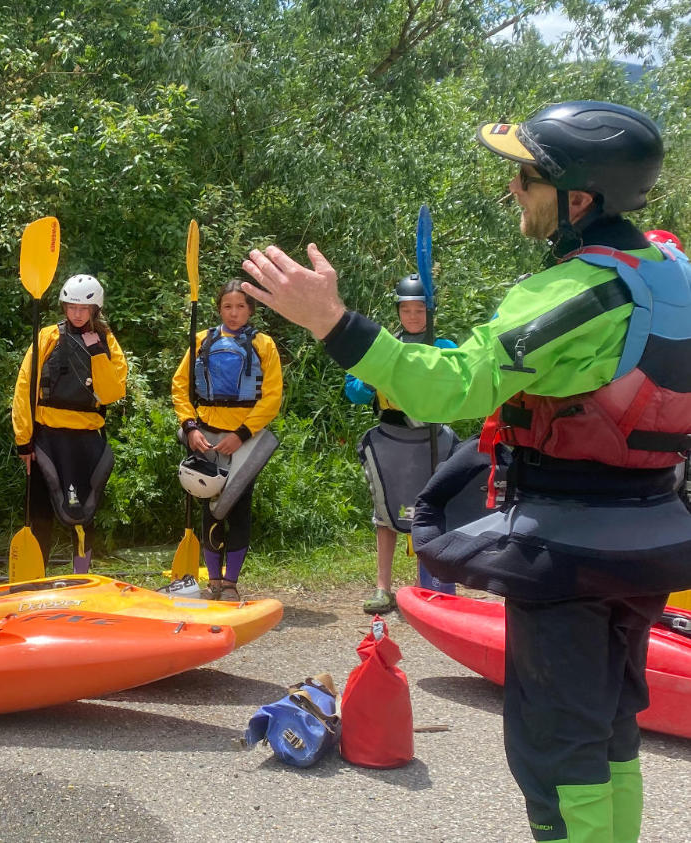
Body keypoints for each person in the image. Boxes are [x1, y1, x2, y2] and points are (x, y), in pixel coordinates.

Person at [241, 101, 691, 842]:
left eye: (525, 176)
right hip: (649, 540)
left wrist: (334, 322)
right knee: (611, 731)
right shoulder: (669, 268)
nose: (512, 189)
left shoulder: (577, 293)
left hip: (571, 554)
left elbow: (451, 387)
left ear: (579, 199)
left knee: (557, 755)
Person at [343, 275, 459, 613]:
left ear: (430, 311)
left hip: (431, 437)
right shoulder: (384, 347)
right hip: (392, 438)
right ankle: (383, 589)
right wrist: (368, 380)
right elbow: (354, 390)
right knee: (386, 513)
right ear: (398, 312)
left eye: (419, 309)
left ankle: (435, 581)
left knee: (434, 510)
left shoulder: (446, 347)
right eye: (406, 309)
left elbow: (464, 383)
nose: (412, 316)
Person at [171, 281, 283, 601]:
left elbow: (272, 397)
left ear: (251, 309)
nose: (234, 314)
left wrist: (242, 434)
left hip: (245, 440)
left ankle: (231, 583)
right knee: (210, 509)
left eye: (241, 307)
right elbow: (180, 386)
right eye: (228, 307)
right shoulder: (202, 340)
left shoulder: (264, 345)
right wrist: (191, 427)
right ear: (219, 308)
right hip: (205, 436)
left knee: (236, 508)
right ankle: (214, 582)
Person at [11, 274, 128, 573]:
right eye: (72, 306)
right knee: (41, 512)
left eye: (84, 308)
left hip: (86, 440)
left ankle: (81, 576)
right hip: (48, 438)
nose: (77, 313)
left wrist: (98, 353)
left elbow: (113, 392)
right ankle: (36, 577)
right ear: (64, 307)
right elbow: (25, 386)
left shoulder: (106, 341)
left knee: (82, 513)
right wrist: (24, 440)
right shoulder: (48, 337)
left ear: (95, 310)